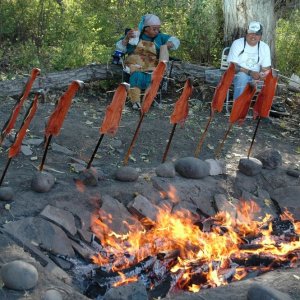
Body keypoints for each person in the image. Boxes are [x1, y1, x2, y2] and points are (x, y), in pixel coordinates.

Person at [115, 14, 180, 110]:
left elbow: (175, 40)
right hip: (135, 65)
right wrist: (126, 38)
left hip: (151, 66)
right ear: (146, 28)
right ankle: (135, 101)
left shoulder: (160, 37)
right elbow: (120, 48)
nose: (157, 31)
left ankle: (148, 100)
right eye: (154, 29)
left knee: (153, 80)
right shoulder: (135, 35)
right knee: (136, 78)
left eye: (158, 29)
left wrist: (169, 44)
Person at [227, 21, 271, 100]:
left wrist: (262, 75)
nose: (253, 36)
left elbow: (266, 69)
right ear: (246, 33)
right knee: (242, 77)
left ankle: (261, 111)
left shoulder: (265, 47)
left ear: (261, 36)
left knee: (272, 82)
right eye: (251, 33)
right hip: (238, 75)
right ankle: (237, 110)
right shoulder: (237, 43)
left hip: (255, 78)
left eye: (257, 34)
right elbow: (232, 67)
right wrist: (250, 72)